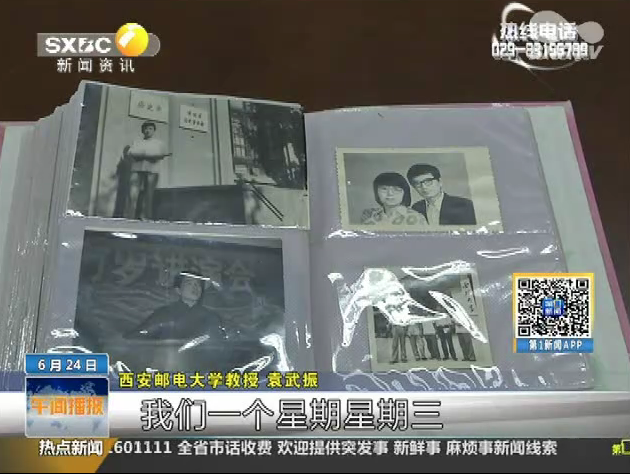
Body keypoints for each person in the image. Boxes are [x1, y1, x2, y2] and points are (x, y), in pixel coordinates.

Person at [127, 269, 226, 341]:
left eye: (197, 284)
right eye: (189, 284)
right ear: (178, 290)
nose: (195, 288)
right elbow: (136, 336)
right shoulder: (164, 313)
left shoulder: (211, 316)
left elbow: (220, 343)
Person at [115, 121, 170, 220]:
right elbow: (130, 153)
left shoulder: (159, 143)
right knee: (132, 194)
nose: (148, 131)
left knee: (148, 196)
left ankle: (145, 218)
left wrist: (149, 156)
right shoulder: (137, 142)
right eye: (146, 129)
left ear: (154, 131)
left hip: (152, 171)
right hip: (137, 170)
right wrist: (143, 155)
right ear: (142, 131)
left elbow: (162, 155)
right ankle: (129, 217)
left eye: (150, 129)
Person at [407, 164, 476, 226]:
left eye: (428, 181)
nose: (424, 187)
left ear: (440, 182)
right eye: (417, 184)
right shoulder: (416, 208)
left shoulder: (464, 205)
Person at [360, 172, 428, 226]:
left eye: (396, 189)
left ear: (405, 193)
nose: (390, 193)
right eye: (384, 189)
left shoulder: (417, 218)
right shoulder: (369, 217)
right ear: (376, 192)